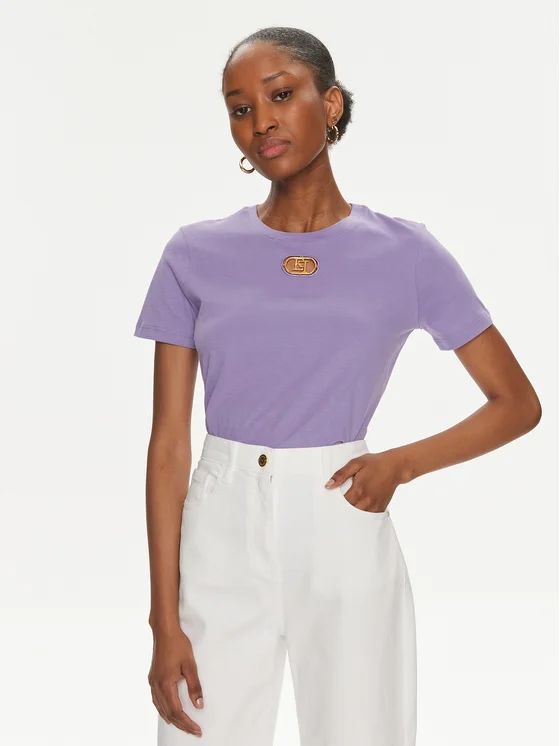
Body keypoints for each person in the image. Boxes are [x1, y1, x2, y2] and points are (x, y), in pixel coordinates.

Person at [133, 26, 542, 746]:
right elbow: (169, 446)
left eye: (280, 95)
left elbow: (517, 404)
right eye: (239, 108)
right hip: (222, 521)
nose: (260, 122)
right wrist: (164, 621)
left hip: (342, 512)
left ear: (331, 104)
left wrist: (400, 465)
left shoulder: (406, 252)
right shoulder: (194, 254)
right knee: (200, 732)